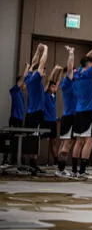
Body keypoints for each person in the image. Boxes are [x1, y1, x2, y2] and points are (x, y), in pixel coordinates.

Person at [71, 41, 92, 179]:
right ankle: (82, 170)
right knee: (89, 140)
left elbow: (87, 56)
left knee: (79, 140)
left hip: (79, 112)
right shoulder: (88, 73)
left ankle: (74, 170)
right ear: (89, 66)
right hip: (88, 112)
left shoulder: (79, 73)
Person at [24, 43, 48, 172]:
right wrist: (45, 49)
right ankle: (32, 163)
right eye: (43, 70)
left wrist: (37, 51)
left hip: (31, 113)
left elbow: (34, 64)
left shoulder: (28, 77)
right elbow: (41, 63)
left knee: (31, 137)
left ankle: (31, 163)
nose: (44, 71)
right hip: (36, 113)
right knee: (34, 137)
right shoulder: (34, 78)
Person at [55, 46, 78, 178]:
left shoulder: (72, 83)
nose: (74, 72)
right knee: (67, 144)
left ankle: (60, 168)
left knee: (65, 143)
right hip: (69, 117)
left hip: (69, 117)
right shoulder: (66, 83)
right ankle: (61, 168)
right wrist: (71, 53)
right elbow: (70, 68)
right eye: (72, 71)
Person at [4, 63, 29, 164]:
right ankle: (5, 160)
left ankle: (18, 162)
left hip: (19, 120)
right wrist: (27, 68)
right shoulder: (14, 90)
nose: (25, 85)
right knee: (11, 140)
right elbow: (22, 80)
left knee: (19, 141)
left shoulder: (21, 94)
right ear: (20, 83)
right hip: (14, 119)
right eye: (24, 83)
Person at [43, 65, 63, 165]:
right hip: (45, 121)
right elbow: (48, 81)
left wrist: (61, 72)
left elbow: (58, 81)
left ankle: (56, 160)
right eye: (52, 86)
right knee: (40, 140)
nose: (54, 87)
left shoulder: (54, 95)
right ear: (49, 87)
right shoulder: (45, 94)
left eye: (55, 87)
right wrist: (54, 69)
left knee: (53, 141)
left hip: (53, 122)